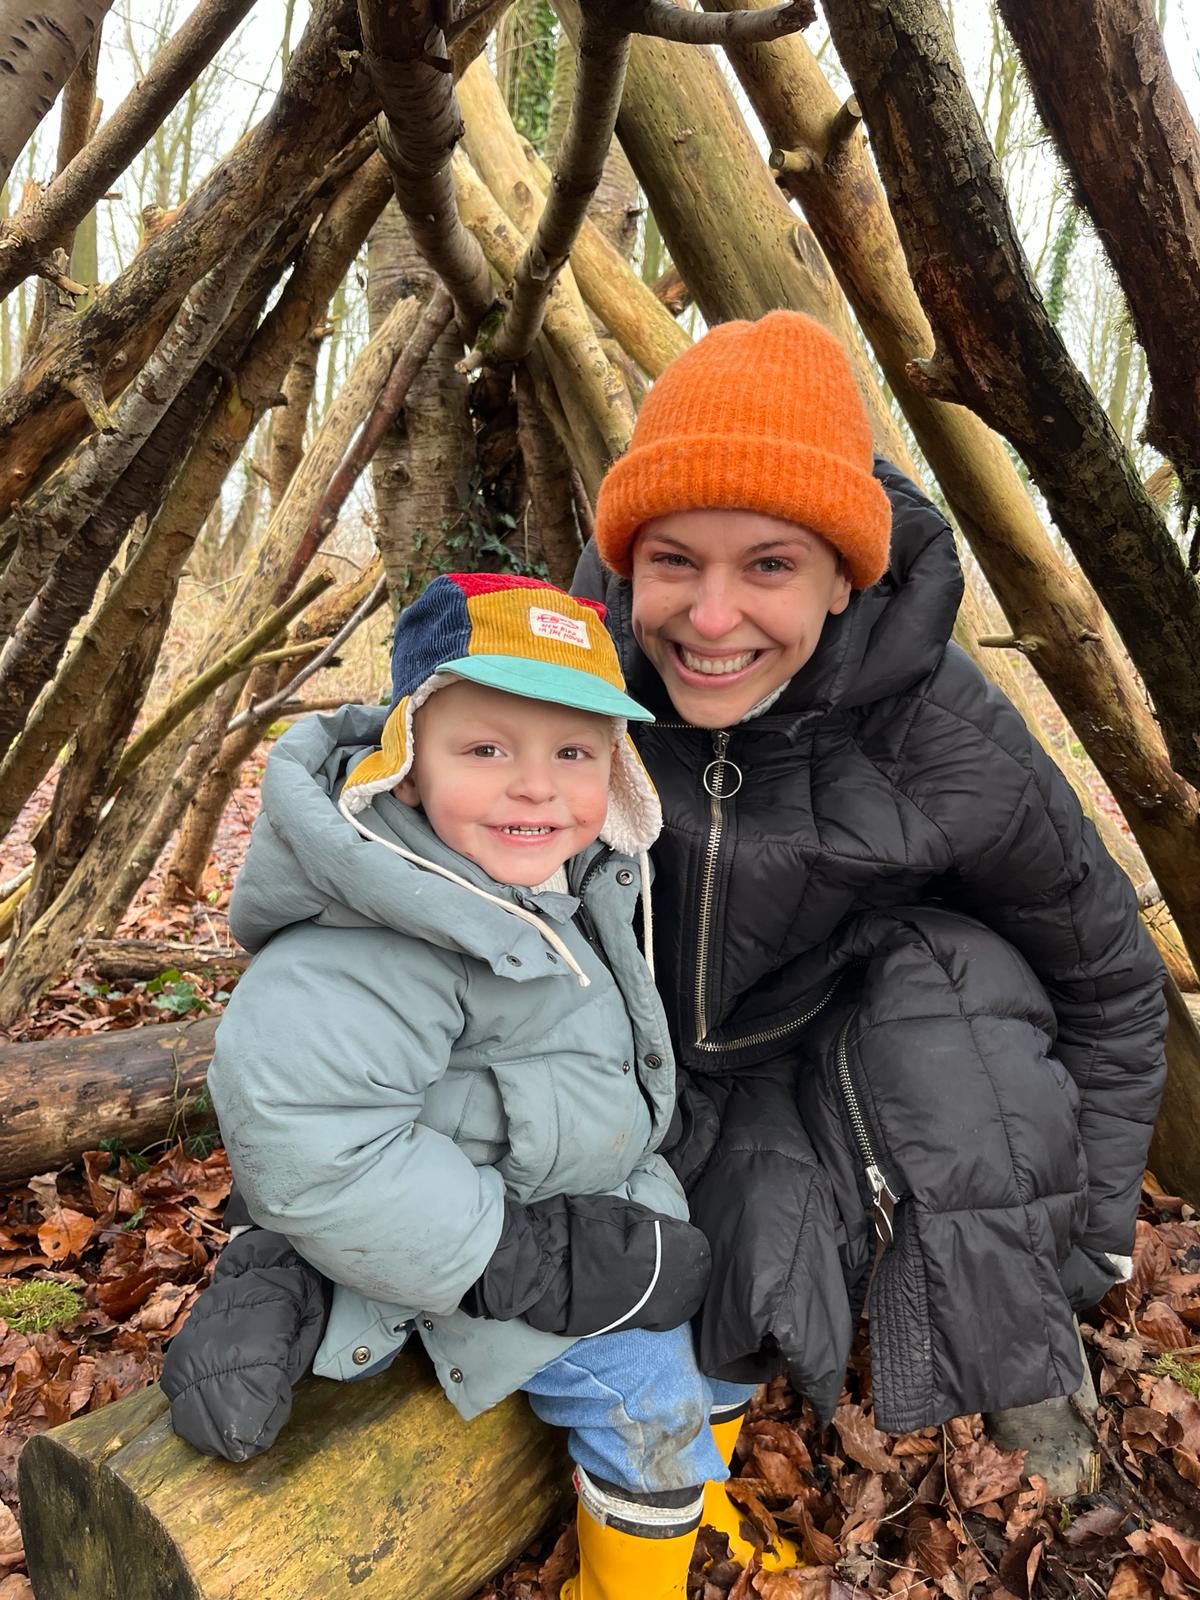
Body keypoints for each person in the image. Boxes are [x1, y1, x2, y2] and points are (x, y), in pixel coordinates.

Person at [569, 309, 1167, 1491]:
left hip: (815, 1058)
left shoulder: (946, 733)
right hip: (624, 1062)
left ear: (849, 576)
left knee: (958, 984)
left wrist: (1090, 1232)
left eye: (771, 566)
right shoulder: (566, 674)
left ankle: (1017, 1346)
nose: (711, 616)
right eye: (675, 560)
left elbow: (1109, 980)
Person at [162, 573, 783, 1599]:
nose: (536, 786)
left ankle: (698, 1515)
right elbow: (311, 1136)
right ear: (406, 762)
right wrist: (523, 1260)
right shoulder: (376, 933)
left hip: (568, 1197)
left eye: (573, 753)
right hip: (454, 1257)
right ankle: (630, 1578)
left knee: (722, 1324)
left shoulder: (565, 882)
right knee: (650, 1396)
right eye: (488, 748)